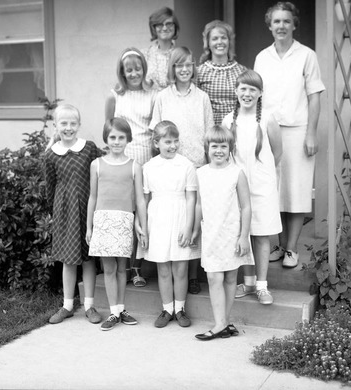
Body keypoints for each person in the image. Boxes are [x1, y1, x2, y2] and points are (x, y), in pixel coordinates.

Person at [254, 2, 325, 267]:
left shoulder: (307, 55)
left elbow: (314, 97)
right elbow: (257, 97)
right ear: (269, 25)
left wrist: (311, 134)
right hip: (271, 132)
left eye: (286, 21)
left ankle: (292, 249)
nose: (281, 26)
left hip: (298, 132)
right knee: (276, 191)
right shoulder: (262, 57)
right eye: (276, 21)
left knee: (296, 191)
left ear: (294, 24)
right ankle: (280, 246)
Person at [150, 46, 214, 294]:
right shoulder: (163, 97)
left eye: (189, 64)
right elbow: (157, 132)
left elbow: (209, 133)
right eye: (179, 65)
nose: (185, 69)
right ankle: (173, 271)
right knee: (175, 219)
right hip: (170, 167)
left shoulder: (202, 97)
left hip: (196, 164)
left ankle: (193, 273)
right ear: (172, 69)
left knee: (194, 218)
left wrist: (208, 166)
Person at [223, 70, 282, 305]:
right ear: (236, 91)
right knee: (243, 233)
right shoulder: (229, 121)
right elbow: (225, 154)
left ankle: (262, 285)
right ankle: (247, 281)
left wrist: (262, 174)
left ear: (260, 93)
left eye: (252, 89)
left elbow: (277, 153)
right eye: (243, 88)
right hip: (238, 187)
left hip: (262, 184)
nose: (247, 94)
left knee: (261, 234)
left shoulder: (268, 119)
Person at [86, 118, 148, 331]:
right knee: (109, 268)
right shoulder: (97, 165)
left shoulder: (134, 166)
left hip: (123, 220)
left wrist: (143, 226)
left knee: (123, 268)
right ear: (106, 139)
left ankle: (121, 310)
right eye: (112, 137)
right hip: (103, 220)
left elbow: (140, 199)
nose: (117, 141)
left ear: (128, 139)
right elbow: (92, 197)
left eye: (121, 137)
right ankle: (114, 312)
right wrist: (89, 226)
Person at [191, 125, 253, 340]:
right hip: (211, 233)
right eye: (214, 146)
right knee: (213, 277)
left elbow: (246, 206)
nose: (218, 150)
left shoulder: (237, 173)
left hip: (231, 234)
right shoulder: (201, 173)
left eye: (223, 146)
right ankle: (220, 323)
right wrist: (194, 229)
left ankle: (222, 323)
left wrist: (244, 236)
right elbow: (199, 204)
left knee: (229, 278)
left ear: (230, 148)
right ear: (207, 148)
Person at [137, 120, 200, 328]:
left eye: (175, 141)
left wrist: (188, 226)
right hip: (158, 219)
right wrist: (143, 226)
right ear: (156, 143)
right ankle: (167, 308)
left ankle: (180, 309)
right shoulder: (148, 167)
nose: (173, 146)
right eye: (167, 142)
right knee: (163, 268)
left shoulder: (186, 165)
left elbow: (191, 198)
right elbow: (144, 201)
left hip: (180, 215)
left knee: (180, 267)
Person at [44, 103, 102, 325]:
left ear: (79, 124)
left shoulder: (89, 148)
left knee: (88, 260)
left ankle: (89, 305)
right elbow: (50, 189)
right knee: (69, 261)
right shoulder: (50, 155)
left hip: (87, 211)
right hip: (65, 213)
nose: (68, 128)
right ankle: (67, 305)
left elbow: (101, 171)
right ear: (56, 125)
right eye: (63, 123)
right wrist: (57, 212)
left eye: (72, 123)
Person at [105, 47, 157, 287]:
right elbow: (108, 130)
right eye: (129, 70)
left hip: (146, 157)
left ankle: (138, 268)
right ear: (122, 72)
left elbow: (156, 129)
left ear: (143, 69)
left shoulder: (153, 94)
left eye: (138, 69)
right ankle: (122, 268)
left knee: (142, 212)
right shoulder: (115, 96)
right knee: (124, 212)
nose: (134, 73)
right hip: (123, 159)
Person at [197, 20, 247, 125]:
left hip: (237, 129)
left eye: (223, 37)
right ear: (208, 43)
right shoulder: (199, 72)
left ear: (229, 41)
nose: (220, 42)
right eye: (214, 39)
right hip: (212, 132)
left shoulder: (242, 71)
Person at [143, 6, 180, 90]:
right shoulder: (144, 55)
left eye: (169, 24)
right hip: (150, 102)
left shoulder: (181, 56)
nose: (164, 28)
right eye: (160, 24)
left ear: (175, 27)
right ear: (154, 28)